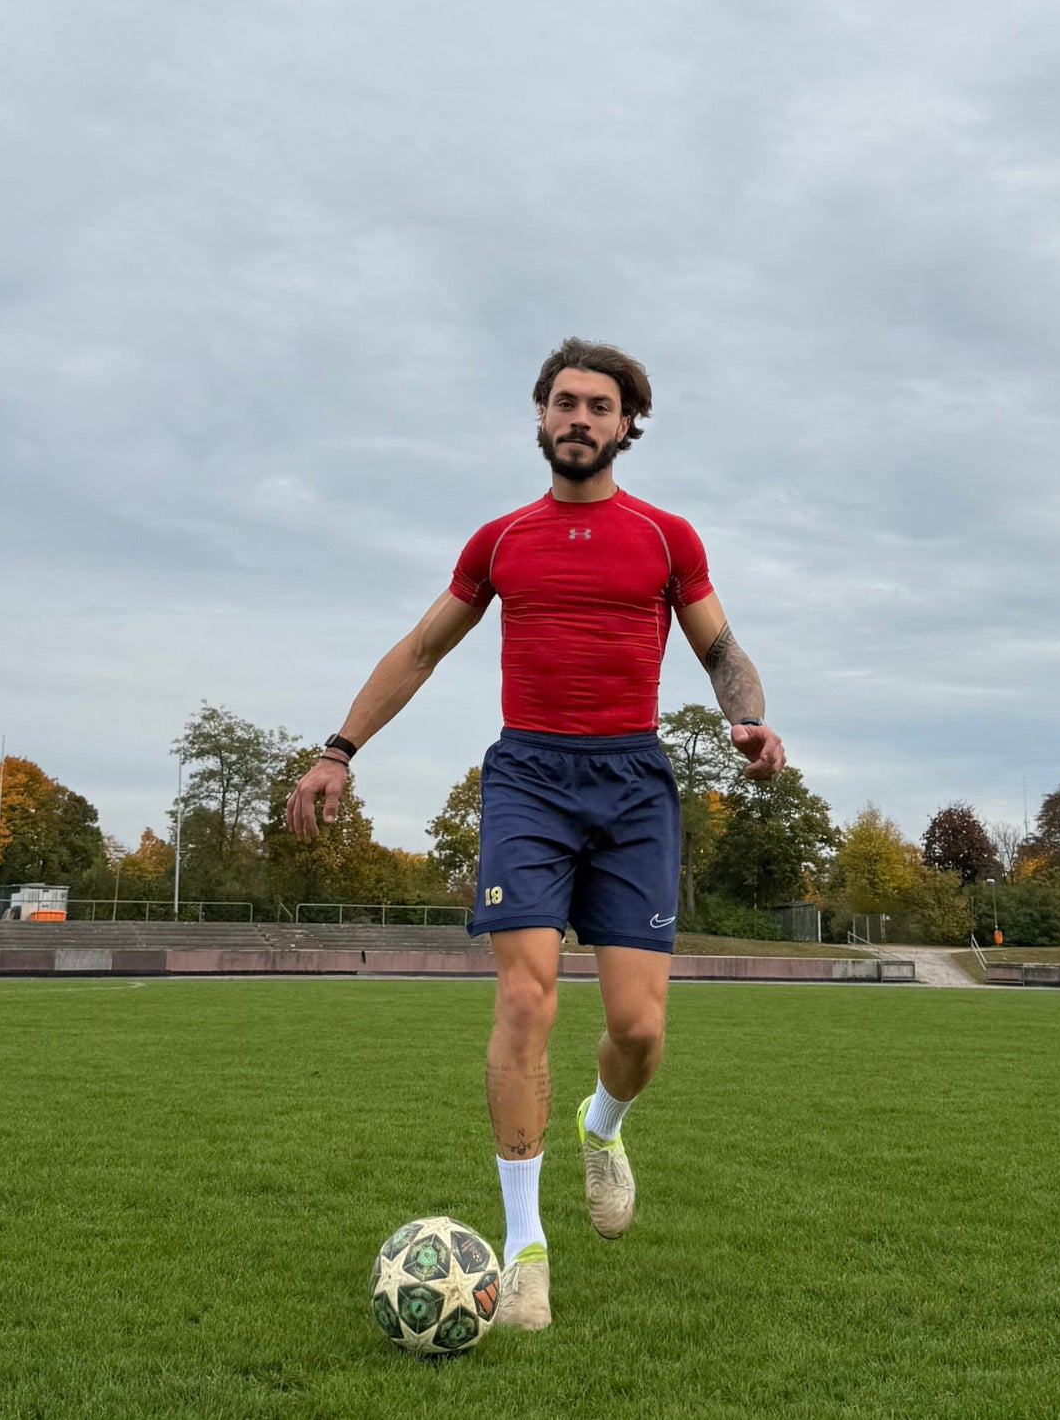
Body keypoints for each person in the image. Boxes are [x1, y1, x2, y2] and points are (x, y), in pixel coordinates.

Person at [288, 338, 784, 1331]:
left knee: (637, 1027)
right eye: (563, 402)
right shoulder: (499, 540)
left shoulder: (665, 537)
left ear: (626, 426)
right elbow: (423, 646)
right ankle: (525, 1251)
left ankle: (604, 1125)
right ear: (539, 417)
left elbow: (719, 645)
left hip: (632, 782)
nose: (578, 418)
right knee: (525, 997)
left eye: (597, 406)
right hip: (527, 776)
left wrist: (746, 715)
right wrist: (338, 747)